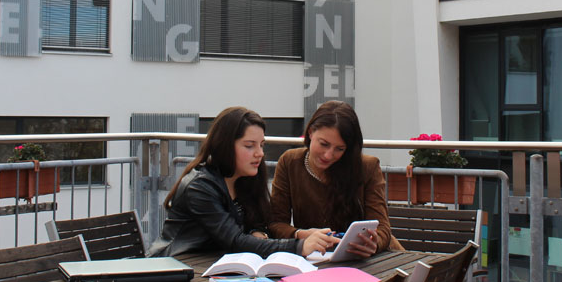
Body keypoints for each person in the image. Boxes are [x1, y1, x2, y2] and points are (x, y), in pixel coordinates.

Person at [148, 106, 325, 259]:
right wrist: (300, 246)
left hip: (207, 266)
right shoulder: (200, 186)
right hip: (173, 267)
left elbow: (260, 223)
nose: (260, 153)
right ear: (224, 145)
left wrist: (258, 232)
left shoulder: (245, 178)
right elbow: (234, 240)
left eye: (261, 145)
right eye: (249, 146)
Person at [269, 100, 400, 257]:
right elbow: (276, 224)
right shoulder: (290, 162)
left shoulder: (366, 167)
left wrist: (374, 243)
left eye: (340, 149)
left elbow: (383, 227)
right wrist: (301, 234)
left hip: (370, 259)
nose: (329, 155)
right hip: (316, 258)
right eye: (324, 144)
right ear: (310, 132)